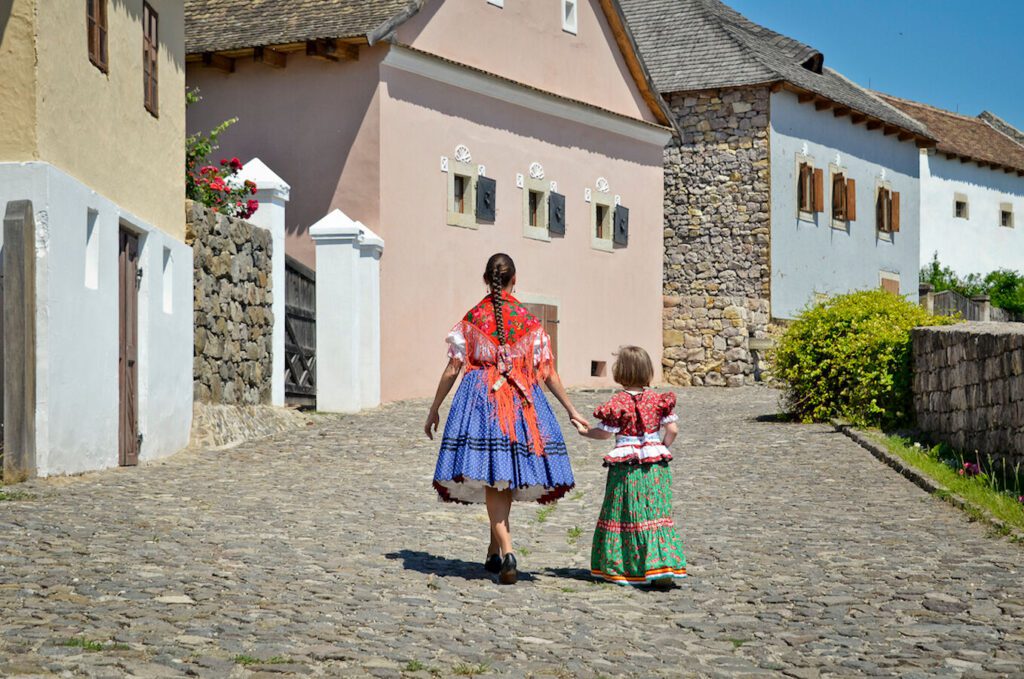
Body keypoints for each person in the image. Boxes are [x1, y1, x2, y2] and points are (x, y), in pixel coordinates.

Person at [425, 253, 588, 585]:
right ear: (515, 280)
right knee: (500, 476)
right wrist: (571, 410)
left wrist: (434, 408)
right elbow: (547, 373)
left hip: (479, 404)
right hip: (521, 407)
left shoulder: (471, 320)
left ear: (485, 280)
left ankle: (508, 552)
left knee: (494, 476)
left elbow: (452, 369)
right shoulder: (529, 321)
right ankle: (494, 551)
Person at [574, 346, 687, 587]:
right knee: (656, 514)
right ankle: (661, 566)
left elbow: (604, 434)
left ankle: (625, 567)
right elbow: (673, 430)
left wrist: (584, 432)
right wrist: (660, 448)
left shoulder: (619, 401)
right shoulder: (658, 399)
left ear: (621, 371)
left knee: (625, 512)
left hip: (627, 468)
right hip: (656, 466)